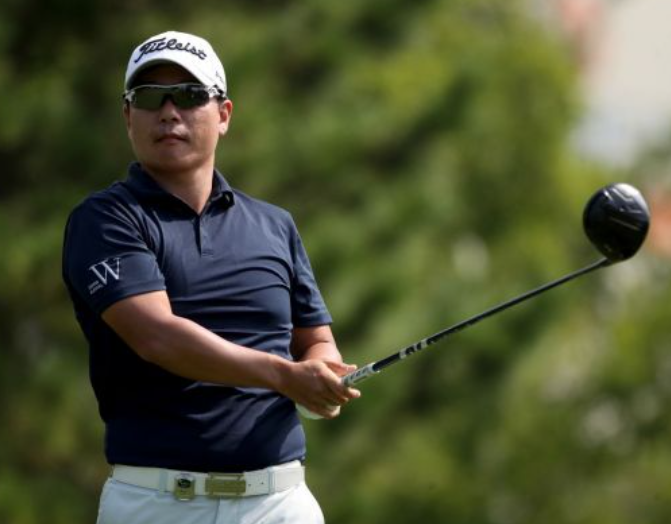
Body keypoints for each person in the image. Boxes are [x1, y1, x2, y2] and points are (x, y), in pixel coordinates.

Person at [62, 30, 360, 524]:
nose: (169, 112)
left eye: (189, 95)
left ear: (223, 115)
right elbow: (158, 337)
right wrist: (284, 375)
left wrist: (321, 378)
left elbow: (315, 339)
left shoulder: (274, 224)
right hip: (157, 504)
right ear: (128, 116)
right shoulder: (106, 219)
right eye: (150, 97)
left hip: (280, 502)